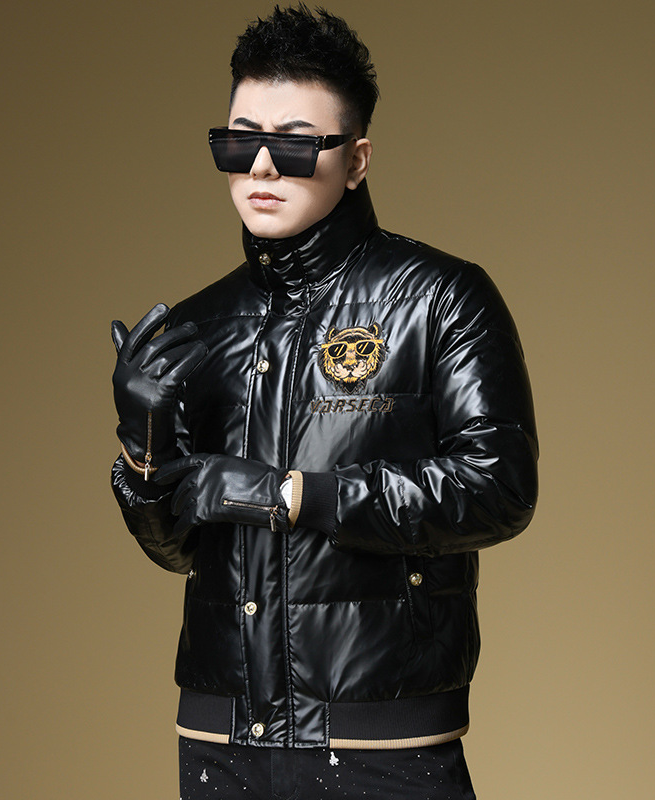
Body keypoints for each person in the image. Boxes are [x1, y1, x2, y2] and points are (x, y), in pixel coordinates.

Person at [110, 5, 537, 798]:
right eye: (239, 142)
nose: (261, 168)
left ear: (357, 159)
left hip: (384, 736)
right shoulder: (198, 325)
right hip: (220, 741)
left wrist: (294, 495)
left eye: (295, 144)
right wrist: (144, 448)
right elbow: (175, 548)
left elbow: (499, 486)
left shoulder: (440, 299)